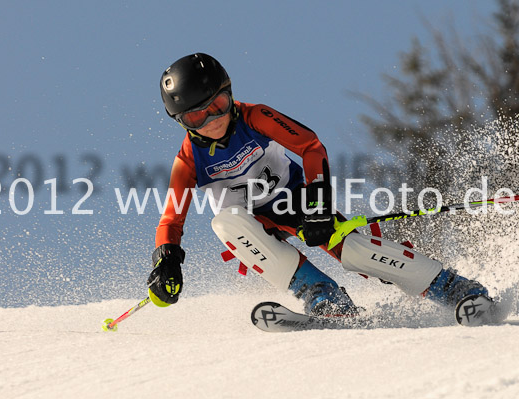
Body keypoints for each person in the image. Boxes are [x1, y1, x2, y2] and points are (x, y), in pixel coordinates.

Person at [147, 52, 497, 325]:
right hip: (255, 222)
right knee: (224, 222)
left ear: (230, 95)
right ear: (181, 122)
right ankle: (322, 295)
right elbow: (171, 219)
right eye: (196, 117)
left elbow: (310, 147)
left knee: (354, 252)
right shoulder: (189, 160)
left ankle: (452, 288)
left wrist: (317, 204)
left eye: (218, 106)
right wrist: (166, 261)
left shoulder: (255, 117)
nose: (213, 120)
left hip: (298, 198)